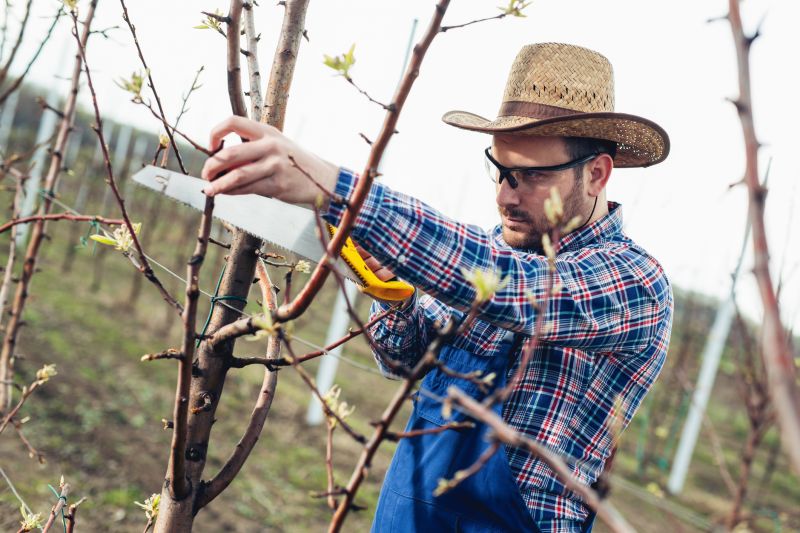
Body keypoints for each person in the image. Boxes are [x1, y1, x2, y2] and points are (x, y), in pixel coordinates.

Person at [202, 42, 673, 533]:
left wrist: (333, 187)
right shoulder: (491, 249)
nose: (504, 195)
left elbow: (516, 291)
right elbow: (408, 361)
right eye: (500, 170)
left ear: (596, 174)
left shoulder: (634, 282)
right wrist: (395, 299)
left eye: (529, 176)